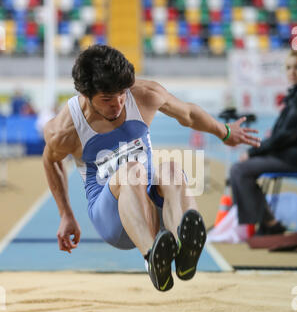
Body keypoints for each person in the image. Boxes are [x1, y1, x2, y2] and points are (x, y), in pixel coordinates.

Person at [43, 45, 260, 292]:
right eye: (107, 99)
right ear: (85, 94)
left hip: (153, 205)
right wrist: (65, 214)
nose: (118, 105)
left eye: (122, 94)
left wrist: (226, 132)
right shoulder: (65, 129)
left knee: (171, 169)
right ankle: (152, 258)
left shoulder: (144, 94)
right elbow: (51, 160)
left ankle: (182, 250)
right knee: (132, 169)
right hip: (113, 220)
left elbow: (188, 114)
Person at [230, 49, 297, 236]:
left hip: (293, 159)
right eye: (289, 68)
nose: (292, 72)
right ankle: (266, 222)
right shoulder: (294, 96)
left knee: (239, 170)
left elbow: (286, 136)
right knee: (240, 169)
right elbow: (282, 135)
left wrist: (253, 152)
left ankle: (267, 223)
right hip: (287, 154)